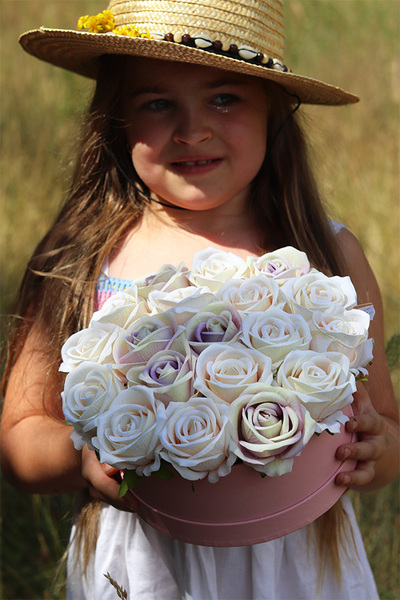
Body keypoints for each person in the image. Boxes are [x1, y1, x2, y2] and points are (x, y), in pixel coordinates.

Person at [1, 1, 399, 598]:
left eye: (224, 99)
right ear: (117, 120)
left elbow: (386, 429)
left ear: (273, 110)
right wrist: (81, 450)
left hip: (299, 571)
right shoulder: (82, 255)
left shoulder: (326, 253)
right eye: (157, 103)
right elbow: (20, 439)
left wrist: (376, 447)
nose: (192, 130)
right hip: (144, 569)